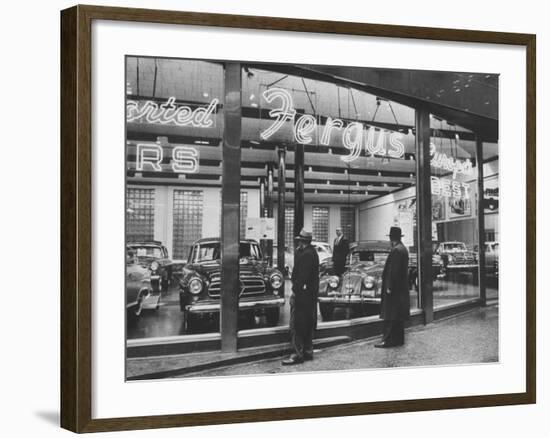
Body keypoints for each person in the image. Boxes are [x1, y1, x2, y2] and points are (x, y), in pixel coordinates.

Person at [282, 229, 320, 365]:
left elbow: (301, 277)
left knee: (297, 325)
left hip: (302, 295)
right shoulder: (312, 253)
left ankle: (297, 354)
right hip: (310, 295)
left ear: (302, 242)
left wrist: (294, 290)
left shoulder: (306, 255)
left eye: (299, 241)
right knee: (308, 323)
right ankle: (308, 351)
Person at [375, 226, 410, 348]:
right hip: (400, 288)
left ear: (391, 238)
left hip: (393, 289)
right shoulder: (403, 249)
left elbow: (393, 271)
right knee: (398, 316)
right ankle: (398, 339)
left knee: (390, 315)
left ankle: (387, 340)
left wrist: (389, 286)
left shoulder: (396, 250)